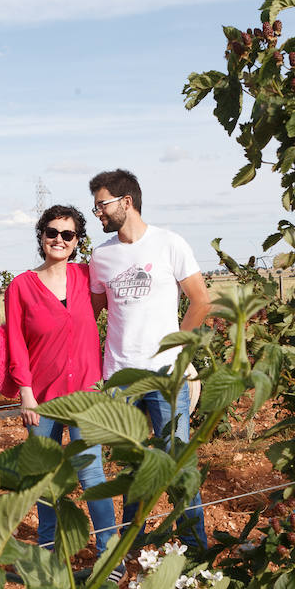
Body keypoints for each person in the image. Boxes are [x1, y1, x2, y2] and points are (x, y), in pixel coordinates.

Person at [88, 169, 211, 549]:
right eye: (95, 207)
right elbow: (90, 314)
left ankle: (195, 549)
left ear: (127, 202)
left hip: (164, 376)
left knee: (178, 463)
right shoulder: (101, 255)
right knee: (131, 464)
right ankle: (130, 547)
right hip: (118, 377)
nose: (98, 214)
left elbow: (201, 299)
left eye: (102, 205)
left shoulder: (169, 243)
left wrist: (179, 352)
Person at [4, 205, 120, 564]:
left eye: (67, 234)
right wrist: (25, 394)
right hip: (41, 398)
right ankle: (48, 555)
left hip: (87, 394)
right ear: (41, 236)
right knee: (46, 479)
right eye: (52, 232)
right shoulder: (21, 286)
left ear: (76, 242)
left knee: (92, 475)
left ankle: (107, 553)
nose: (59, 239)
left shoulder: (87, 277)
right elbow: (16, 343)